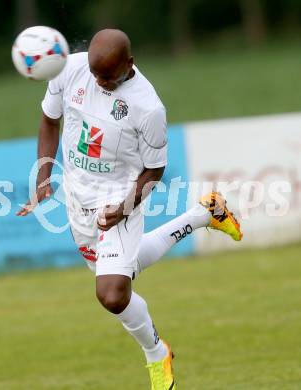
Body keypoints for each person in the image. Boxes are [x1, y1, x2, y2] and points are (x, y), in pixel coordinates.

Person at [17, 29, 242, 390]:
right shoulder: (68, 70)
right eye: (96, 75)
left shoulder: (148, 107)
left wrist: (123, 209)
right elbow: (49, 120)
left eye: (109, 76)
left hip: (121, 197)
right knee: (122, 269)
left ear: (130, 64)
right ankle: (204, 214)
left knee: (111, 293)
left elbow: (154, 170)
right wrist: (44, 175)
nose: (101, 83)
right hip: (78, 198)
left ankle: (157, 353)